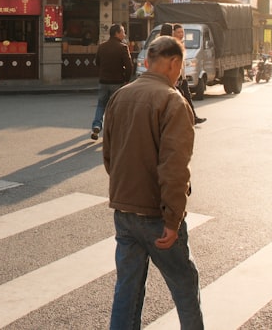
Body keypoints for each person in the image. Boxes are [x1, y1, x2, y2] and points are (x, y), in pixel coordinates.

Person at [102, 35, 203, 329]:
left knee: (127, 290)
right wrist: (172, 219)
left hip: (124, 211)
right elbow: (174, 169)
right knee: (184, 287)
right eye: (180, 66)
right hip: (157, 215)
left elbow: (109, 156)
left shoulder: (120, 96)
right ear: (173, 63)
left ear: (147, 63)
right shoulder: (173, 101)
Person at [90, 23, 133, 140]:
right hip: (117, 82)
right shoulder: (123, 47)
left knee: (101, 105)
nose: (124, 34)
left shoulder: (102, 46)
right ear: (117, 33)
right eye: (123, 32)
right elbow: (129, 66)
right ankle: (114, 131)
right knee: (116, 107)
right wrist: (127, 80)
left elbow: (97, 62)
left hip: (103, 81)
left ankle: (97, 125)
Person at [172, 23, 206, 125]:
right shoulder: (172, 45)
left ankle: (194, 117)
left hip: (182, 76)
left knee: (188, 97)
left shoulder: (181, 43)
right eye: (178, 32)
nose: (181, 34)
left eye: (182, 32)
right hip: (176, 78)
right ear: (173, 33)